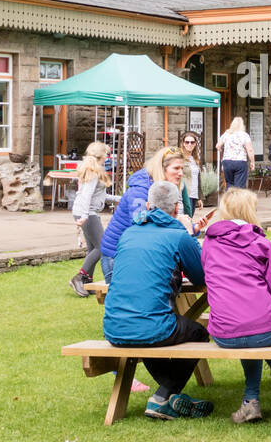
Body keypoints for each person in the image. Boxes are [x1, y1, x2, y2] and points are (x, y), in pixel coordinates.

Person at [102, 181, 212, 421]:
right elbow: (202, 277)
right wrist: (190, 235)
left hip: (113, 326)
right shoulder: (177, 236)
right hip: (151, 326)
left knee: (151, 327)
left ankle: (169, 393)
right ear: (176, 208)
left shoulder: (128, 233)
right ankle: (163, 397)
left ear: (149, 205)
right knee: (198, 333)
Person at [201, 188, 271, 424]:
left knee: (245, 326)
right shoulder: (261, 243)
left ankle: (251, 400)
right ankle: (261, 384)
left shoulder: (209, 244)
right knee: (256, 327)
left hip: (224, 332)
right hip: (266, 330)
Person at [101, 146, 194, 280]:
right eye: (176, 168)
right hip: (116, 256)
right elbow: (141, 225)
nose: (180, 173)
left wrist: (191, 227)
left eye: (182, 169)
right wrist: (180, 224)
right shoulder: (140, 191)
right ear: (162, 169)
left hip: (136, 253)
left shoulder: (162, 188)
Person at [68, 141, 111, 297]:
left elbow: (95, 195)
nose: (107, 157)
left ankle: (87, 282)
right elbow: (86, 195)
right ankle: (79, 277)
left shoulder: (92, 169)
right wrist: (85, 216)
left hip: (85, 211)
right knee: (103, 246)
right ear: (101, 155)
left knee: (93, 249)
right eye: (106, 154)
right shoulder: (93, 171)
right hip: (87, 213)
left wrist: (119, 198)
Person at [216, 117, 255, 190]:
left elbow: (218, 146)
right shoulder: (244, 135)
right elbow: (250, 150)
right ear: (242, 125)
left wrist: (223, 151)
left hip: (227, 162)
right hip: (240, 161)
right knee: (239, 186)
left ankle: (228, 200)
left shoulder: (226, 134)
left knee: (229, 184)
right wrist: (252, 162)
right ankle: (237, 201)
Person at [179, 131, 203, 206]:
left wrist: (200, 198)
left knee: (190, 217)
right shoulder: (180, 157)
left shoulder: (195, 159)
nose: (189, 144)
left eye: (192, 142)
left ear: (195, 144)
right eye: (187, 142)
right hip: (184, 195)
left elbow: (198, 179)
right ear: (183, 143)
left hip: (194, 195)